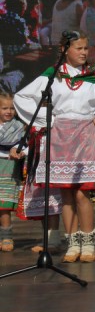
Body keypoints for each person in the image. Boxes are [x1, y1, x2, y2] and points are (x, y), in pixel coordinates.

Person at [13, 31, 95, 263]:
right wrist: (47, 118)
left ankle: (88, 244)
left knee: (82, 192)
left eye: (85, 48)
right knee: (67, 193)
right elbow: (22, 97)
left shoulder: (94, 76)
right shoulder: (53, 75)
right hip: (59, 135)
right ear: (65, 51)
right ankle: (72, 244)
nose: (83, 52)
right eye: (78, 48)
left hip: (84, 134)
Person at [0, 92, 26, 252]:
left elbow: (24, 145)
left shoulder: (18, 127)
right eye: (4, 108)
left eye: (12, 109)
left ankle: (7, 236)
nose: (8, 111)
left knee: (3, 205)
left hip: (8, 168)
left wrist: (19, 151)